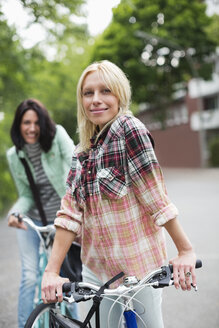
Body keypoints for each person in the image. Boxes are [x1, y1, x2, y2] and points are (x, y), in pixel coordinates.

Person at [41, 61, 197, 328]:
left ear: (120, 95)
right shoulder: (81, 153)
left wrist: (185, 250)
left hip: (140, 270)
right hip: (96, 272)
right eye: (88, 93)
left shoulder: (129, 130)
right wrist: (51, 272)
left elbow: (155, 197)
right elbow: (69, 214)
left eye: (106, 91)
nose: (96, 100)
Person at [7, 98, 76, 328]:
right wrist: (15, 213)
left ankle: (74, 322)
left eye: (36, 122)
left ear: (43, 123)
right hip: (33, 221)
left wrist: (79, 211)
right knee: (29, 275)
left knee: (66, 279)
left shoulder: (57, 137)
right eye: (26, 122)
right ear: (19, 125)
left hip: (63, 219)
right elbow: (25, 194)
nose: (32, 128)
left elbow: (77, 168)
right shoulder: (14, 155)